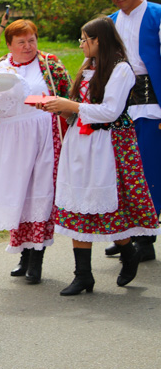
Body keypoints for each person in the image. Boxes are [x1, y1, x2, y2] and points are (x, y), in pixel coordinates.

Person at [40, 17, 160, 295]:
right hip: (80, 144)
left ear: (99, 40)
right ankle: (83, 275)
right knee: (78, 205)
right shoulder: (88, 68)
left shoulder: (121, 70)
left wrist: (72, 105)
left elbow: (110, 111)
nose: (81, 44)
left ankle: (128, 251)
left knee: (108, 207)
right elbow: (82, 110)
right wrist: (61, 109)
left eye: (85, 39)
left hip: (108, 145)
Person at [0, 20, 71, 285]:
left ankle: (36, 258)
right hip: (11, 140)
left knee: (39, 194)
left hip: (44, 136)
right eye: (21, 42)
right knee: (17, 196)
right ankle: (22, 255)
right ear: (8, 45)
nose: (28, 47)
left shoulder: (50, 65)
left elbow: (69, 98)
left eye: (32, 40)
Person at [105, 0, 161, 262]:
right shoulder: (111, 22)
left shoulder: (157, 14)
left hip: (152, 103)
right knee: (122, 171)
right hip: (121, 104)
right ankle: (127, 234)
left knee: (148, 169)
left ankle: (146, 239)